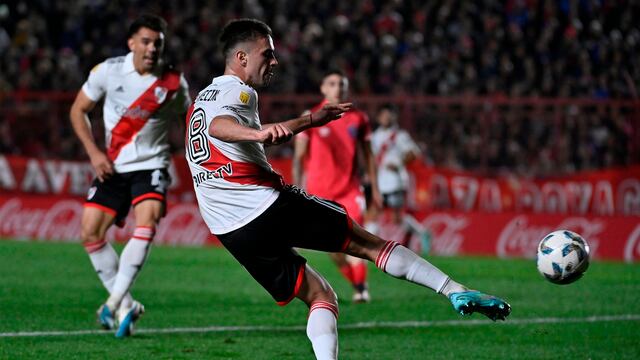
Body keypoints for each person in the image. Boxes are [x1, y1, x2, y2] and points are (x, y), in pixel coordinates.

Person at [186, 18, 510, 359]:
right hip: (264, 203)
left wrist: (310, 120)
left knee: (321, 296)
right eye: (267, 54)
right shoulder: (238, 92)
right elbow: (220, 126)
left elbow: (215, 125)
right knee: (371, 245)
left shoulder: (200, 100)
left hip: (230, 229)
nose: (275, 61)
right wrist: (257, 133)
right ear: (241, 58)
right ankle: (453, 289)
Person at [69, 14, 190, 338]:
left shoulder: (174, 83)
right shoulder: (108, 71)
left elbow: (190, 122)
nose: (152, 49)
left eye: (158, 44)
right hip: (113, 165)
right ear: (132, 43)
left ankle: (113, 301)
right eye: (147, 42)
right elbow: (77, 110)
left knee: (146, 222)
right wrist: (94, 153)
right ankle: (128, 306)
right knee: (90, 233)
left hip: (152, 165)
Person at [292, 70, 382, 303]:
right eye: (332, 83)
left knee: (355, 237)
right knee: (334, 249)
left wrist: (376, 188)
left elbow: (369, 156)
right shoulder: (310, 116)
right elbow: (299, 157)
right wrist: (294, 187)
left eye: (341, 84)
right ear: (323, 88)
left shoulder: (359, 118)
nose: (337, 88)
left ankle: (362, 289)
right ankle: (356, 282)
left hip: (350, 191)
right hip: (319, 194)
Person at [370, 104, 428, 249]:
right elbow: (372, 157)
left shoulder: (400, 135)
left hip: (396, 181)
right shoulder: (375, 136)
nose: (386, 118)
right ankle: (371, 247)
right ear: (378, 118)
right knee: (374, 212)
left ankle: (422, 232)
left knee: (396, 218)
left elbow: (414, 153)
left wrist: (399, 163)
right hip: (380, 181)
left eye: (389, 116)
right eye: (383, 116)